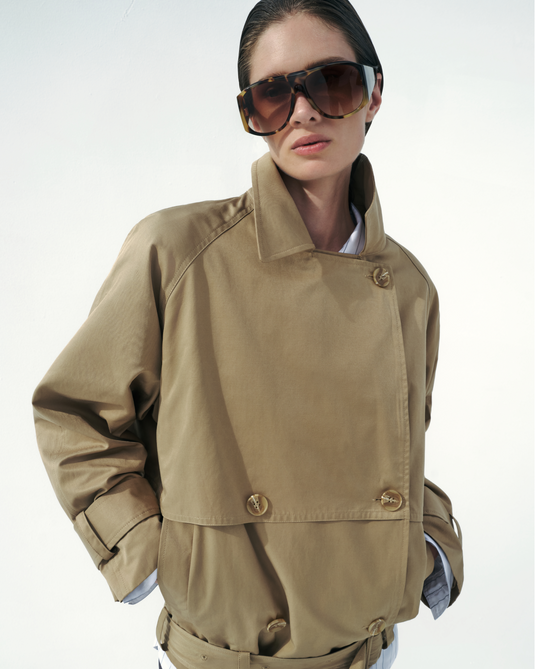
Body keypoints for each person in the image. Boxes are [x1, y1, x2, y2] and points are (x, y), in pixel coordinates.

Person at [33, 1, 464, 667]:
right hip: (221, 654)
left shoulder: (409, 285)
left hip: (370, 651)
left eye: (331, 82)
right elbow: (75, 413)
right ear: (251, 115)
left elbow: (399, 453)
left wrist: (431, 543)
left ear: (373, 93)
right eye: (273, 95)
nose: (304, 112)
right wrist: (147, 550)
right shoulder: (177, 251)